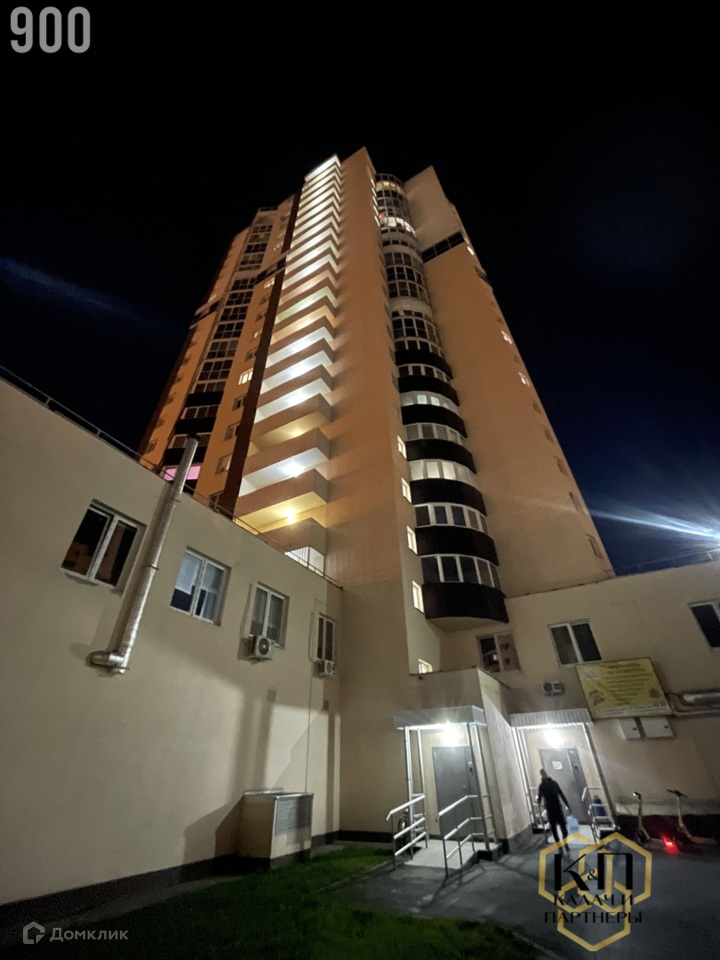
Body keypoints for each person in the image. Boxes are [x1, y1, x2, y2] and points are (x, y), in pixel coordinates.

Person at [537, 768, 571, 843]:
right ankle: (564, 840)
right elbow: (561, 793)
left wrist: (538, 803)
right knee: (562, 825)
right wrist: (567, 804)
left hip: (550, 809)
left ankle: (559, 843)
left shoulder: (542, 786)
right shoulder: (554, 783)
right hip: (557, 807)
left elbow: (539, 798)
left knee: (554, 827)